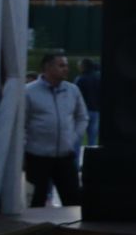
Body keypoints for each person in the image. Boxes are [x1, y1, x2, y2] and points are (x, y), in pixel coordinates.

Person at [23, 51, 87, 207]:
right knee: (35, 202)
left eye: (66, 65)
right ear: (47, 67)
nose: (66, 69)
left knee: (73, 201)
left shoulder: (72, 90)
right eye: (61, 65)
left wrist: (73, 138)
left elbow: (82, 117)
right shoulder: (28, 91)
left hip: (65, 156)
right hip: (37, 157)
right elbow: (21, 124)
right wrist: (26, 145)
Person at [75, 58, 101, 149]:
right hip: (96, 111)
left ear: (83, 66)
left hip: (83, 112)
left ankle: (76, 161)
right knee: (92, 139)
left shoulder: (80, 79)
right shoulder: (98, 78)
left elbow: (76, 96)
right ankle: (92, 160)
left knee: (78, 138)